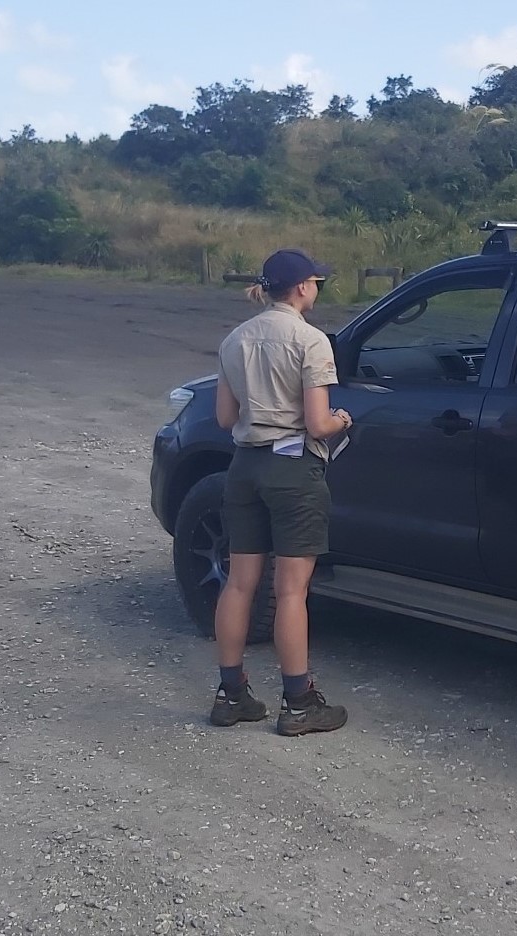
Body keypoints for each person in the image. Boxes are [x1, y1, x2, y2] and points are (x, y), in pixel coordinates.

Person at [208, 247, 352, 736]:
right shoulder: (311, 342)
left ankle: (231, 695)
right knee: (290, 589)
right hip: (292, 470)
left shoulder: (234, 339)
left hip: (245, 466)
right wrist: (340, 421)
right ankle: (298, 702)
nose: (317, 289)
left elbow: (226, 419)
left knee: (240, 583)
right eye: (317, 282)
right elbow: (316, 421)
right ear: (302, 287)